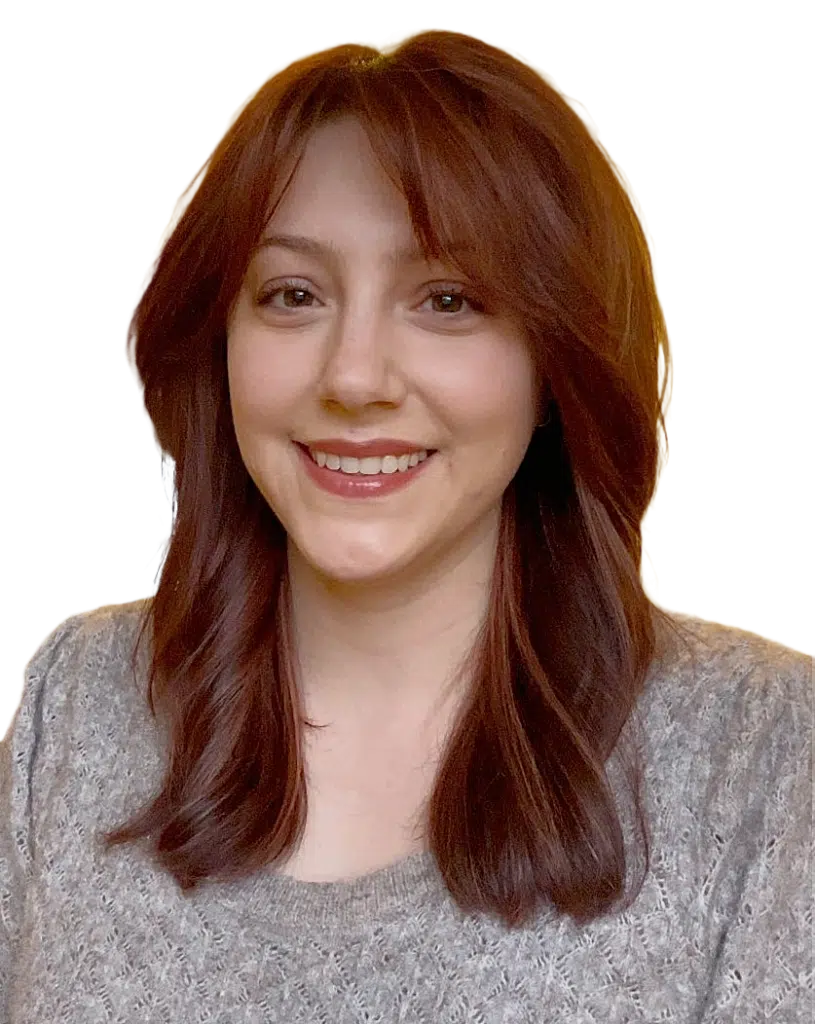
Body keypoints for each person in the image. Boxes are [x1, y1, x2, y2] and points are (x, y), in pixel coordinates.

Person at [2, 28, 811, 1022]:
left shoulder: (759, 747)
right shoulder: (78, 696)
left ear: (556, 363)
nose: (353, 377)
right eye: (292, 295)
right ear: (218, 343)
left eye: (447, 299)